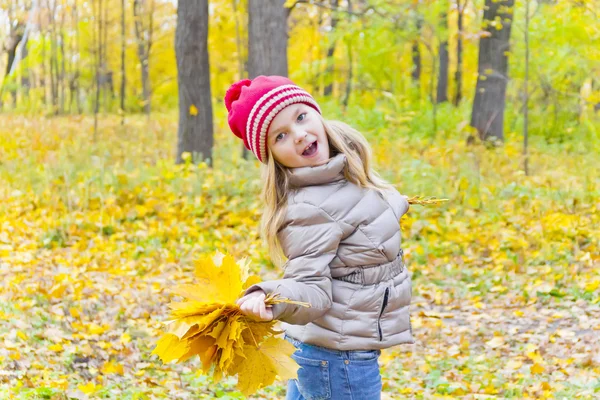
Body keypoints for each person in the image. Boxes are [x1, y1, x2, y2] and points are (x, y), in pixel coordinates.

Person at [226, 75, 413, 400]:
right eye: (280, 136)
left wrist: (395, 204)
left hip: (326, 348)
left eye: (301, 116)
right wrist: (271, 296)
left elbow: (355, 213)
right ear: (273, 158)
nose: (299, 135)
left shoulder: (337, 174)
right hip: (338, 359)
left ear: (316, 112)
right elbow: (310, 285)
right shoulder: (308, 208)